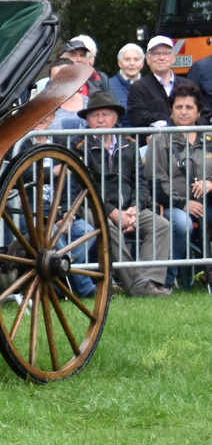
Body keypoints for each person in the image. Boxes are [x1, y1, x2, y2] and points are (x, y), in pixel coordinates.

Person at [81, 92, 173, 296]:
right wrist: (113, 212)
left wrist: (134, 209)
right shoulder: (80, 145)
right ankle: (135, 285)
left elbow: (141, 182)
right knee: (108, 228)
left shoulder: (129, 143)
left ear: (115, 119)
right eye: (95, 115)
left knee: (161, 225)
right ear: (87, 120)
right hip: (94, 208)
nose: (101, 120)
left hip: (129, 208)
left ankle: (147, 279)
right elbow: (85, 187)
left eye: (106, 114)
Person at [146, 83, 212, 289]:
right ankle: (168, 279)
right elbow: (154, 180)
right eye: (179, 107)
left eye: (189, 107)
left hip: (208, 204)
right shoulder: (161, 138)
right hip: (172, 204)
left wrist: (210, 182)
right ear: (171, 110)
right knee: (182, 223)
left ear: (199, 112)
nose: (183, 112)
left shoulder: (209, 137)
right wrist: (183, 203)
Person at [123, 36, 181, 129]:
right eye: (156, 54)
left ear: (173, 58)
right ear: (148, 59)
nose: (161, 58)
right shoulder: (138, 88)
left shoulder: (188, 85)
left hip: (185, 142)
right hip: (152, 143)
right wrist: (171, 120)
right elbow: (137, 118)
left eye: (166, 53)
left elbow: (201, 114)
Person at [60, 34, 108, 116]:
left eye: (82, 55)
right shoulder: (53, 83)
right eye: (73, 55)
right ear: (63, 58)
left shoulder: (97, 81)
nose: (78, 59)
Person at [110, 43, 145, 110]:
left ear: (142, 64)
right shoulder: (108, 86)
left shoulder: (149, 85)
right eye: (127, 59)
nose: (132, 63)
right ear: (120, 63)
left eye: (136, 59)